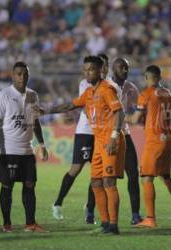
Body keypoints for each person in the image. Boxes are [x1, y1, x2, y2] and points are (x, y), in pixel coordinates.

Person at [35, 56, 125, 234]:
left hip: (110, 141)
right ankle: (105, 223)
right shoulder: (89, 93)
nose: (87, 73)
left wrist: (114, 137)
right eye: (85, 70)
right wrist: (46, 111)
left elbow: (119, 113)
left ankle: (114, 225)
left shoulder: (107, 89)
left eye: (91, 69)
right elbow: (70, 105)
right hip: (99, 142)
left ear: (100, 71)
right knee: (96, 182)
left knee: (108, 181)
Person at [127, 65, 171, 228]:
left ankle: (150, 219)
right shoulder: (168, 94)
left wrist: (119, 116)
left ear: (146, 77)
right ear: (160, 77)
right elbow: (156, 114)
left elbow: (134, 120)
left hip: (155, 140)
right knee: (165, 176)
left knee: (146, 177)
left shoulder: (146, 94)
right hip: (168, 138)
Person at [51, 53, 110, 223]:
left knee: (97, 174)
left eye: (105, 65)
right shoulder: (86, 84)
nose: (103, 68)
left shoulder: (110, 85)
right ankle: (58, 203)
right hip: (85, 131)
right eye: (101, 65)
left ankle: (90, 209)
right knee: (76, 169)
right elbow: (85, 104)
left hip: (102, 134)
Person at [0, 61, 49, 233]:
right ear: (12, 75)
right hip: (8, 150)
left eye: (25, 74)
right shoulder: (4, 95)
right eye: (18, 73)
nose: (22, 77)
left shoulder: (33, 95)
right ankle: (7, 224)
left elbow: (35, 122)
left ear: (28, 75)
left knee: (30, 184)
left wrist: (42, 144)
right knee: (7, 186)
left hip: (27, 150)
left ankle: (30, 223)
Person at [108, 57, 142, 224]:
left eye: (127, 68)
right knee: (104, 176)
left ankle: (135, 215)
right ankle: (92, 211)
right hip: (107, 137)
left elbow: (138, 111)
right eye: (122, 67)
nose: (125, 70)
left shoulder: (131, 88)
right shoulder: (106, 87)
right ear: (113, 69)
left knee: (134, 174)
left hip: (125, 134)